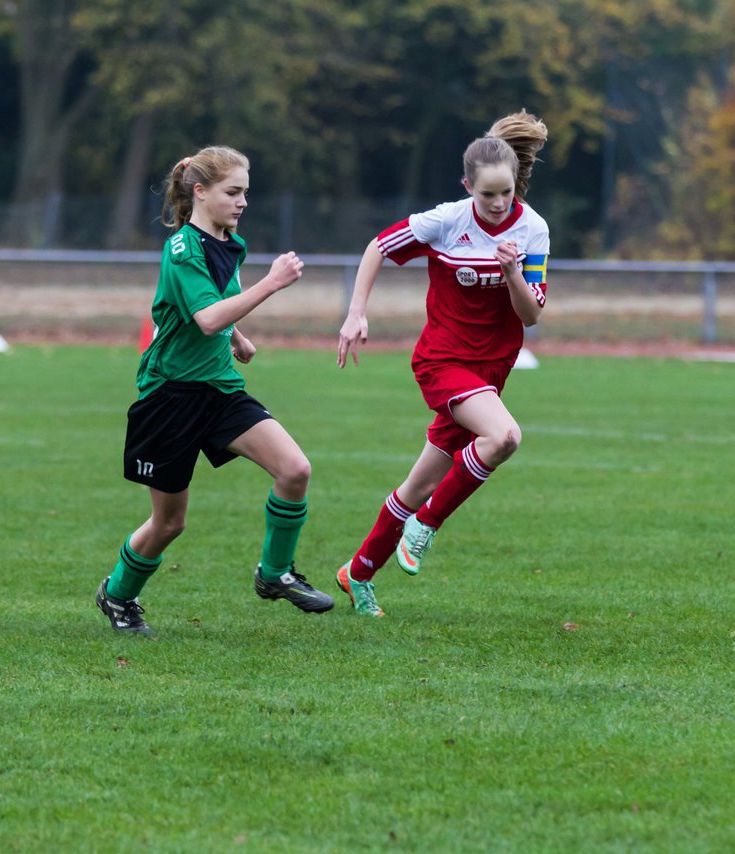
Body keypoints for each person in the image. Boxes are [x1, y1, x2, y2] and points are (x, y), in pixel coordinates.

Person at [96, 145, 333, 636]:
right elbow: (205, 319)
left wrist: (238, 338)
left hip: (219, 390)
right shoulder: (182, 249)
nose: (243, 201)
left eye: (246, 192)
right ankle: (118, 595)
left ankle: (275, 574)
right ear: (200, 192)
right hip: (170, 398)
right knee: (169, 523)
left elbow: (218, 306)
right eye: (233, 192)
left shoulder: (231, 241)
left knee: (295, 469)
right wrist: (270, 286)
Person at [334, 110, 550, 617]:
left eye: (506, 192)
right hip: (443, 360)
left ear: (516, 182)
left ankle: (358, 573)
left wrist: (514, 273)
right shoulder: (447, 220)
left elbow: (531, 315)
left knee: (419, 483)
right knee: (504, 438)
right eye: (486, 194)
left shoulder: (534, 229)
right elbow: (378, 247)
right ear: (467, 187)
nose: (498, 205)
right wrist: (356, 312)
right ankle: (427, 525)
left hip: (492, 371)